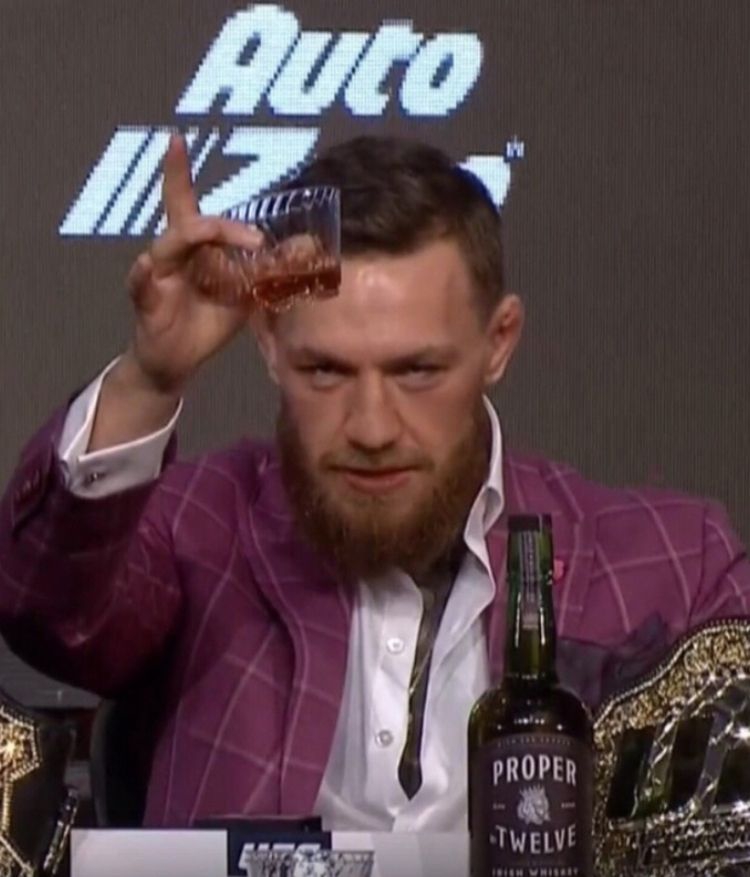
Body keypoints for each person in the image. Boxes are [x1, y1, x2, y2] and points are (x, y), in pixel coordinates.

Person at [0, 134, 748, 830]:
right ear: (269, 342)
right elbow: (46, 613)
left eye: (416, 370)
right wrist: (150, 380)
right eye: (325, 370)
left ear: (498, 343)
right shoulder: (202, 527)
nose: (372, 427)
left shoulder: (679, 565)